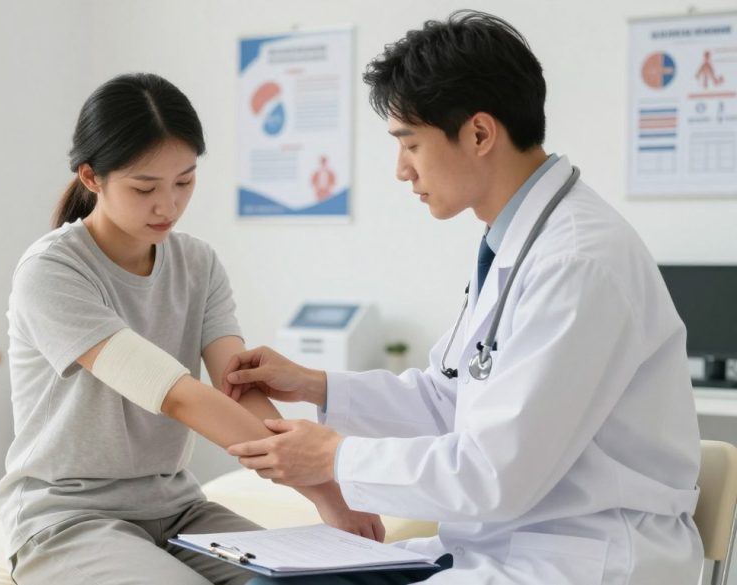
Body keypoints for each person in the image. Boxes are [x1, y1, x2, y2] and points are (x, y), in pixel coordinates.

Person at [223, 11, 703, 585]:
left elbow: (494, 474)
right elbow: (449, 399)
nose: (401, 170)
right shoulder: (517, 242)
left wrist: (334, 458)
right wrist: (316, 385)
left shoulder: (576, 262)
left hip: (577, 556)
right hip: (504, 543)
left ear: (478, 134)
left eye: (411, 144)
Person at [0, 72, 382, 585]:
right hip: (67, 518)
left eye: (184, 181)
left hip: (180, 510)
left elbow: (236, 389)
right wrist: (324, 491)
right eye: (144, 187)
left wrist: (331, 488)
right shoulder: (53, 271)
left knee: (324, 580)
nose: (168, 205)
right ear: (92, 178)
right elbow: (176, 395)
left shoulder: (197, 263)